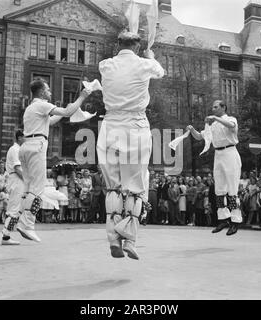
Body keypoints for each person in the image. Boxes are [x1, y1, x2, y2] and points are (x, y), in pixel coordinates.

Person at [97, 30, 164, 259]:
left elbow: (117, 66)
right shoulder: (145, 64)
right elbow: (160, 72)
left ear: (118, 44)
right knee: (135, 184)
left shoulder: (105, 65)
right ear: (137, 46)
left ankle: (113, 238)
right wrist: (151, 55)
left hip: (111, 124)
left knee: (113, 185)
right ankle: (129, 239)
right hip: (135, 124)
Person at [16, 78, 93, 242]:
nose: (50, 92)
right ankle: (27, 224)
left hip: (26, 146)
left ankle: (21, 218)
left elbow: (51, 121)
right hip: (37, 146)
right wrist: (82, 97)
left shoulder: (31, 108)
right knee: (37, 188)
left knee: (28, 187)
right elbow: (66, 113)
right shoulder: (42, 105)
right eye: (48, 89)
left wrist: (68, 109)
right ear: (42, 92)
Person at [187, 100, 242, 235]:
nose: (213, 109)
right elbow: (200, 137)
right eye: (213, 107)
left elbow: (231, 126)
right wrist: (192, 130)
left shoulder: (230, 119)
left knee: (232, 188)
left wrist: (215, 118)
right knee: (219, 188)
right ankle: (223, 218)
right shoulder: (214, 125)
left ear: (223, 107)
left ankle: (235, 221)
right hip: (218, 155)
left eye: (216, 107)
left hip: (230, 152)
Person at [1, 129, 25, 245]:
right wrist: (28, 180)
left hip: (17, 179)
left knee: (16, 208)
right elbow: (17, 168)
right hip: (16, 179)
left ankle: (7, 233)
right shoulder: (15, 149)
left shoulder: (17, 149)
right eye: (25, 137)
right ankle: (6, 236)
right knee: (14, 208)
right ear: (20, 137)